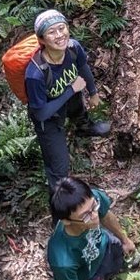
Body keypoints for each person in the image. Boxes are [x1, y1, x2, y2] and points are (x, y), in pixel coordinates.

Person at [26, 10, 110, 192]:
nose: (59, 35)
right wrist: (71, 90)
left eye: (62, 28)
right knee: (59, 170)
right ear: (41, 40)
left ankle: (84, 128)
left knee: (76, 102)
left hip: (68, 97)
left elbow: (82, 67)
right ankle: (60, 207)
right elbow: (40, 114)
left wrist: (93, 92)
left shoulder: (73, 48)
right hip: (48, 117)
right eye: (51, 32)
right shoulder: (35, 74)